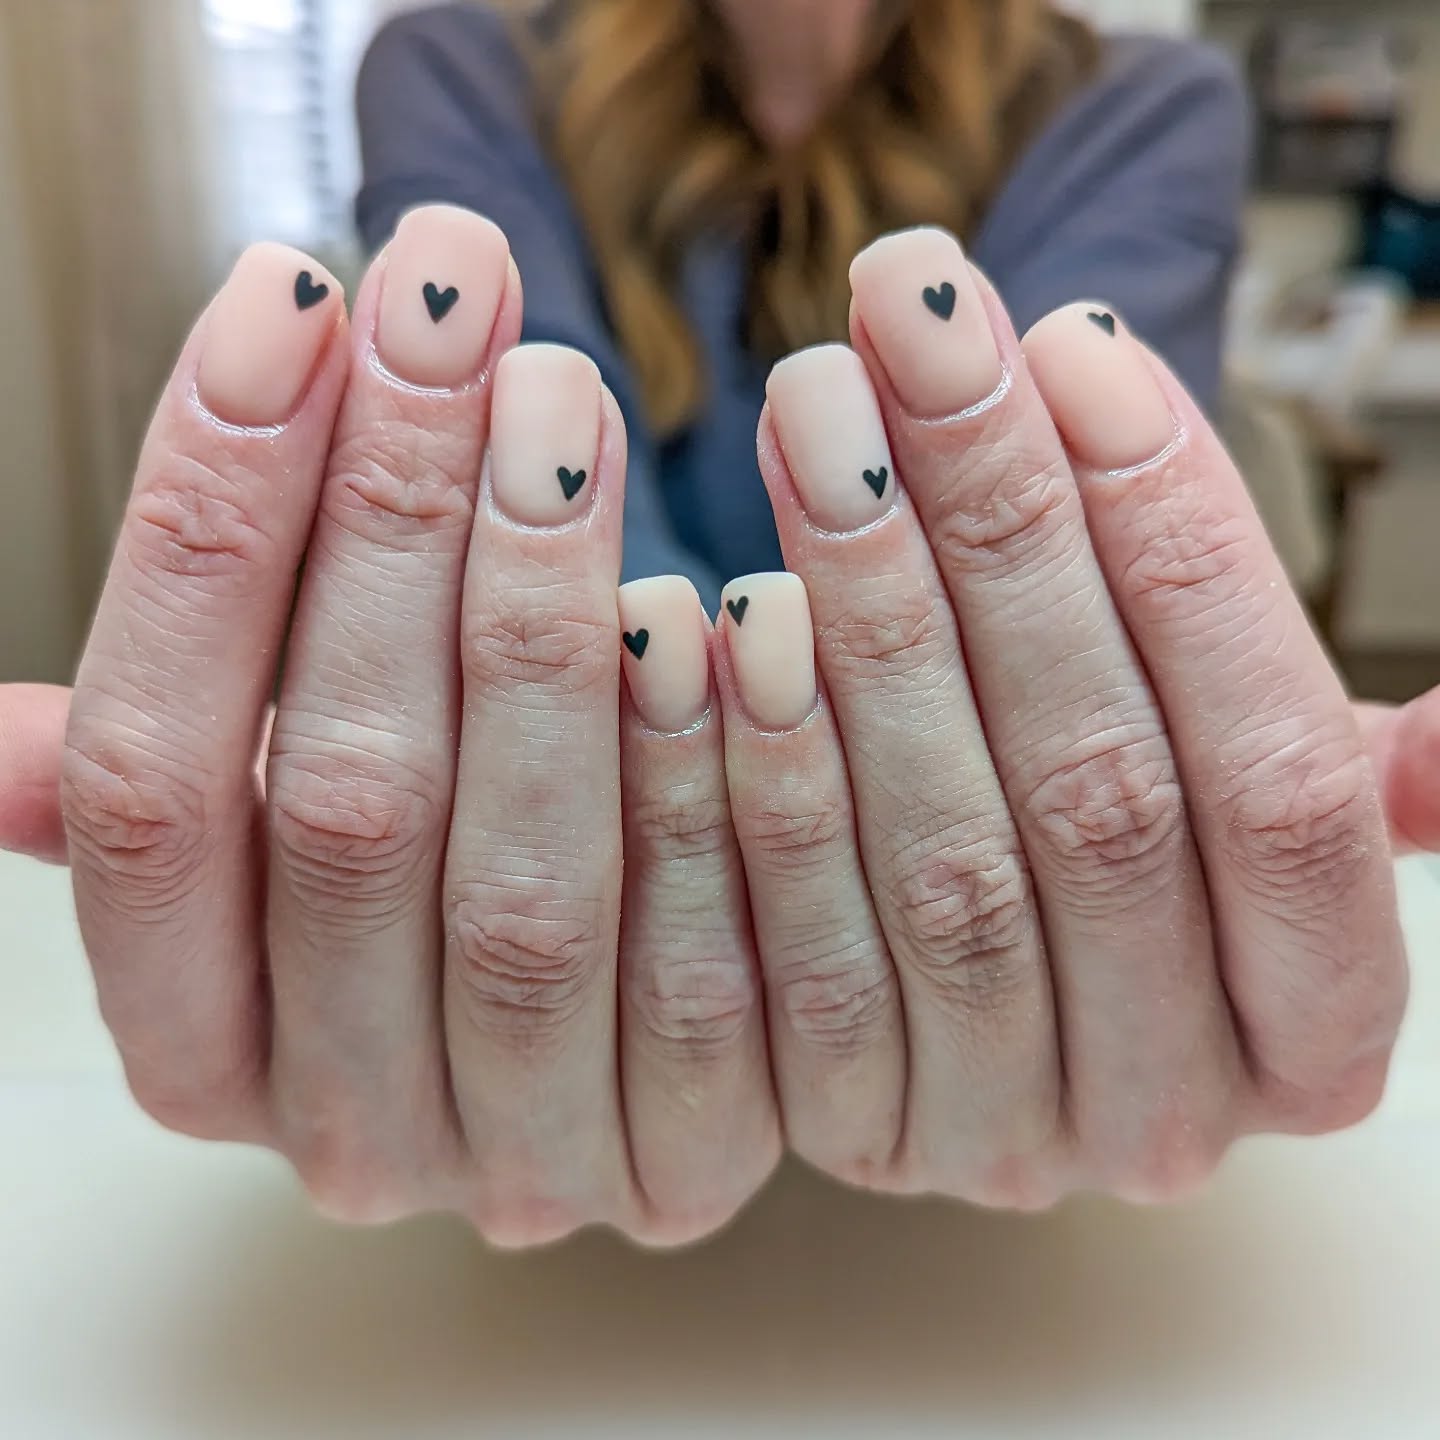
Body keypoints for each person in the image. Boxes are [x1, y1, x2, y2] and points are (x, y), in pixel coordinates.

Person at [1, 0, 1436, 1248]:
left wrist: (710, 750)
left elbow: (1042, 564)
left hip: (955, 1102)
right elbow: (543, 463)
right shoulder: (454, 65)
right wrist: (763, 743)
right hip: (571, 983)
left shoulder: (1141, 99)